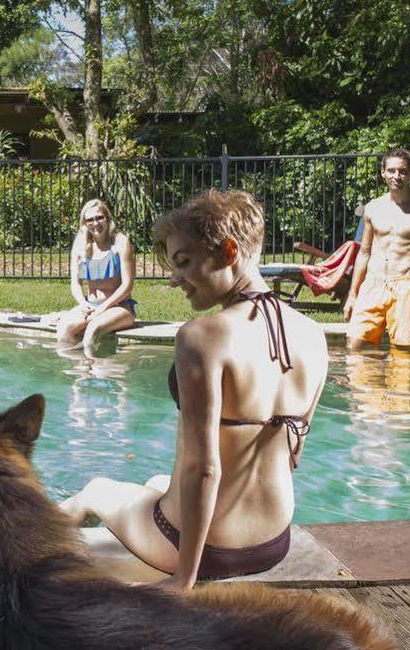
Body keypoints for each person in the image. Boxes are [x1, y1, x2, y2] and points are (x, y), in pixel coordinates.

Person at [60, 189, 329, 587]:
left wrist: (182, 580)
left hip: (204, 551)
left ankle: (12, 546)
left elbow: (204, 469)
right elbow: (294, 450)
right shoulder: (313, 335)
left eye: (184, 262)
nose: (174, 280)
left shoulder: (202, 337)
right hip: (274, 540)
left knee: (95, 490)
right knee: (156, 483)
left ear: (229, 251)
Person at [345, 149, 410, 349]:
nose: (396, 176)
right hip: (373, 285)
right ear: (383, 173)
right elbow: (364, 254)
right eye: (391, 171)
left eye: (402, 171)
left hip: (405, 286)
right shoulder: (373, 208)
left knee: (404, 357)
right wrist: (353, 295)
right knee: (354, 348)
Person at [52, 198, 137, 352]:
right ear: (84, 223)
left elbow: (127, 285)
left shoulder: (120, 242)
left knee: (93, 329)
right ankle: (82, 370)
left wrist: (103, 308)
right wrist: (83, 304)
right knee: (64, 328)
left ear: (108, 218)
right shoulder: (80, 245)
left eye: (100, 218)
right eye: (90, 220)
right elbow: (75, 283)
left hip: (119, 307)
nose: (95, 223)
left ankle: (95, 370)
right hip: (90, 306)